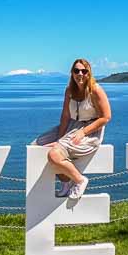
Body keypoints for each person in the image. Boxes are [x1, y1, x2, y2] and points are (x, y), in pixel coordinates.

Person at [34, 58, 113, 199]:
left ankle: (79, 180)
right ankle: (66, 181)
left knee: (54, 154)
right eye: (77, 70)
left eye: (84, 71)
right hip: (72, 126)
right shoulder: (69, 91)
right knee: (36, 146)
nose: (80, 74)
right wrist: (60, 137)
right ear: (72, 73)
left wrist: (83, 132)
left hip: (90, 131)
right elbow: (65, 116)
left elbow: (106, 117)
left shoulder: (95, 90)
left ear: (89, 73)